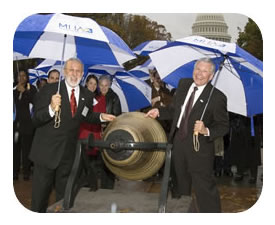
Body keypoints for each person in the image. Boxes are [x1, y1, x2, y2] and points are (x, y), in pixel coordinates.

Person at [29, 58, 116, 212]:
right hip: (45, 155)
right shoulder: (49, 91)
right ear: (64, 72)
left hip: (68, 156)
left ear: (82, 74)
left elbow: (87, 115)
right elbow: (36, 119)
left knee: (64, 201)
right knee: (39, 201)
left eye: (78, 71)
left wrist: (102, 117)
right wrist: (51, 108)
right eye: (71, 70)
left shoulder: (86, 95)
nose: (74, 74)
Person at [146, 58, 229, 213]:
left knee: (204, 189)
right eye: (198, 69)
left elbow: (223, 126)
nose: (200, 74)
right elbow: (174, 110)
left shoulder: (217, 97)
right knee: (180, 187)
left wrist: (207, 130)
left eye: (205, 71)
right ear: (193, 70)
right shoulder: (184, 85)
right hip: (178, 143)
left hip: (200, 149)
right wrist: (159, 112)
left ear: (211, 76)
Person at [97, 75, 122, 189]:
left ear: (110, 85)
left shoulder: (114, 97)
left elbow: (116, 116)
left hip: (108, 132)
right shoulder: (94, 96)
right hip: (95, 131)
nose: (103, 88)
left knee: (108, 160)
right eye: (101, 85)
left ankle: (108, 187)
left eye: (106, 85)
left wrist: (105, 126)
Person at [13, 70, 37, 181]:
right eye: (19, 75)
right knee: (15, 149)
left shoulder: (31, 88)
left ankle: (26, 172)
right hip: (15, 124)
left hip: (28, 124)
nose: (21, 77)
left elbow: (36, 102)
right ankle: (15, 172)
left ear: (27, 77)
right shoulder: (13, 89)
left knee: (27, 149)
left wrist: (25, 92)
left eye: (24, 75)